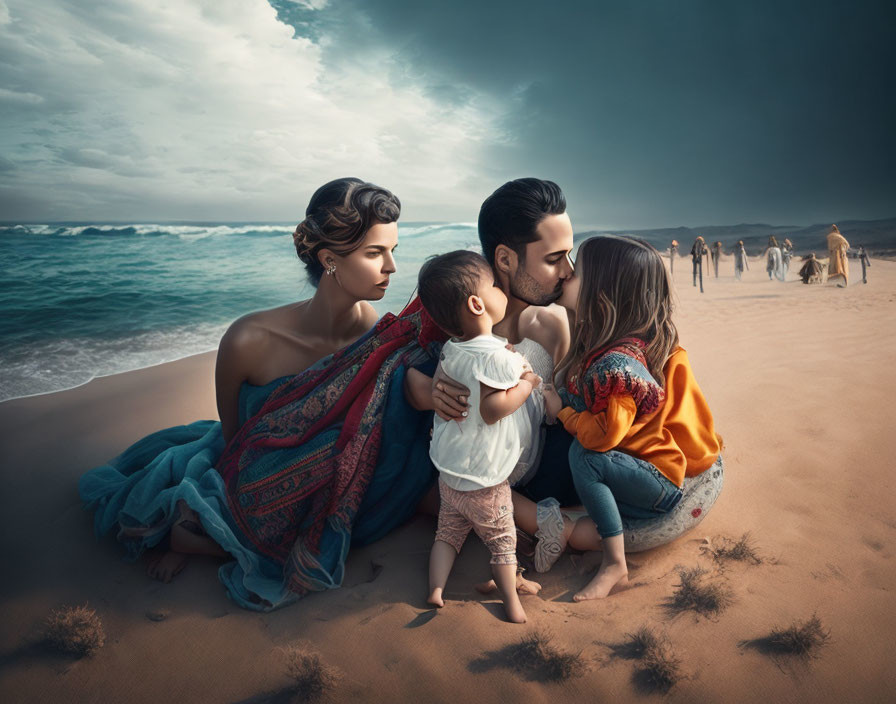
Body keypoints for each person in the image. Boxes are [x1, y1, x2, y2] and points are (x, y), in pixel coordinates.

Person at [80, 178, 442, 610]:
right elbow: (232, 440)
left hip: (334, 471)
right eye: (374, 253)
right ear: (329, 259)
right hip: (257, 470)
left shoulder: (374, 332)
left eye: (393, 252)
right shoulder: (249, 340)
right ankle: (205, 534)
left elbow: (378, 422)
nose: (391, 268)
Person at [549, 235, 722, 601]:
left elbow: (604, 438)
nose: (566, 276)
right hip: (640, 472)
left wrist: (561, 411)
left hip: (658, 485)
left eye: (577, 272)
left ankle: (615, 564)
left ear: (601, 297)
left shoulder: (618, 367)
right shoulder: (605, 348)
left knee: (585, 456)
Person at [417, 251, 561, 622]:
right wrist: (527, 384)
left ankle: (435, 589)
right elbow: (493, 408)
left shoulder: (451, 349)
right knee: (502, 541)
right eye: (496, 286)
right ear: (477, 303)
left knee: (448, 534)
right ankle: (511, 603)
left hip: (450, 473)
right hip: (486, 478)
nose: (503, 291)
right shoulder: (497, 356)